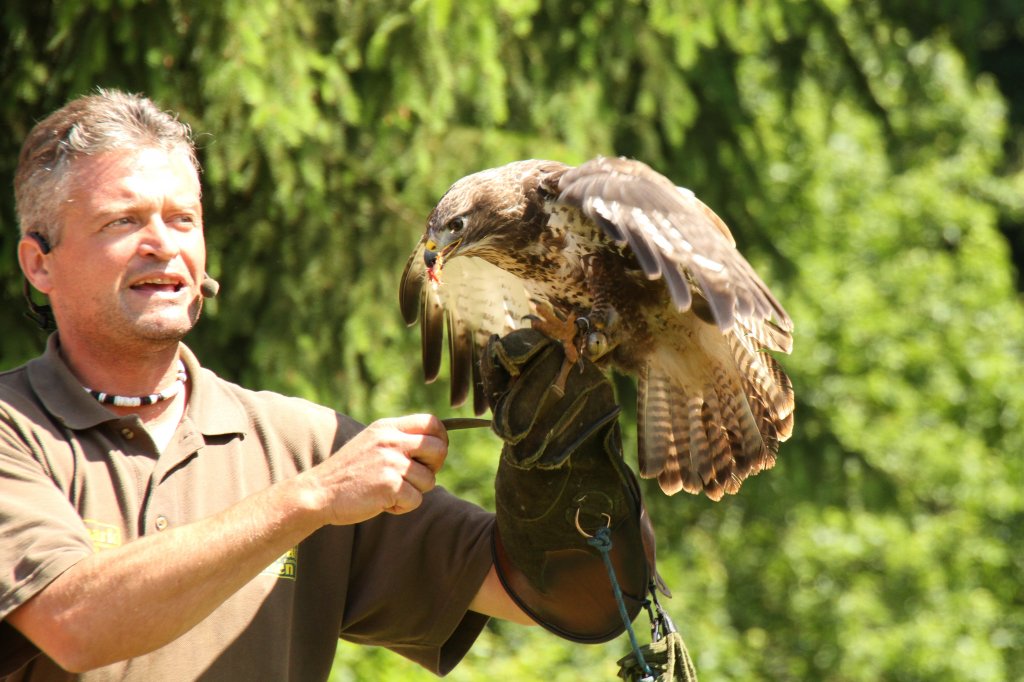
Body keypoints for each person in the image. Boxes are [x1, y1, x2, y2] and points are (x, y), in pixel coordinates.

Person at [0, 89, 534, 681]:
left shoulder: (300, 440)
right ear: (38, 262)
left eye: (183, 219)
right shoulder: (12, 430)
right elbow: (74, 624)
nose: (164, 244)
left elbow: (554, 593)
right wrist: (310, 500)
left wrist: (571, 454)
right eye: (122, 221)